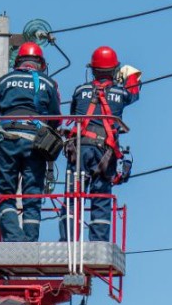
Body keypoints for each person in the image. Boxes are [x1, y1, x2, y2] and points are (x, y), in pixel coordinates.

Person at [60, 46, 141, 242]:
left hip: (79, 149)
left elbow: (74, 112)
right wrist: (130, 76)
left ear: (93, 69)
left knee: (73, 196)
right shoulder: (121, 94)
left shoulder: (80, 90)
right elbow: (135, 92)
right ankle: (98, 241)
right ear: (114, 71)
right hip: (104, 152)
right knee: (101, 198)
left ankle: (67, 242)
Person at [0, 41, 62, 242]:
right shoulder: (48, 84)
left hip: (8, 139)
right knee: (32, 194)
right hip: (35, 143)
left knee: (4, 193)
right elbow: (56, 119)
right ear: (40, 64)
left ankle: (13, 238)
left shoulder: (5, 80)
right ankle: (29, 241)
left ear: (18, 61)